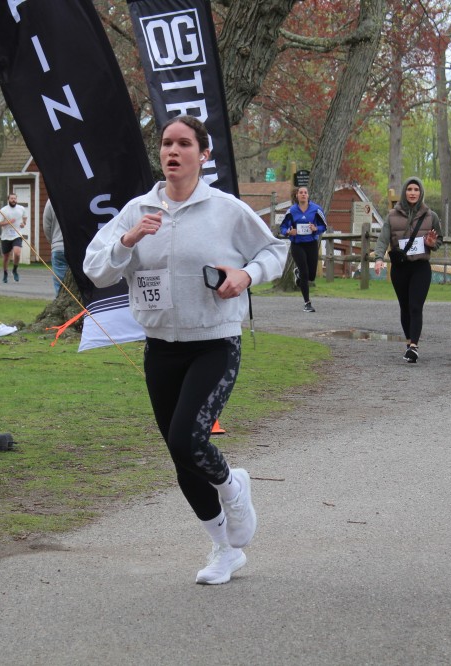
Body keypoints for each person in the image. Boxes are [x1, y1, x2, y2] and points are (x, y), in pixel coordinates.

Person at [83, 115, 287, 586]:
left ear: (204, 154)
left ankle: (233, 487)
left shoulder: (226, 210)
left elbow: (274, 251)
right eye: (166, 144)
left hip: (214, 342)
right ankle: (224, 549)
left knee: (186, 440)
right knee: (181, 457)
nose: (172, 151)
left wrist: (246, 275)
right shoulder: (136, 211)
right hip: (160, 347)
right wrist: (128, 241)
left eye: (184, 144)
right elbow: (96, 269)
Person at [373, 177, 442, 363]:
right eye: (409, 189)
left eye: (416, 190)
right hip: (400, 268)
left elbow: (439, 240)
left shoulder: (431, 216)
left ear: (421, 193)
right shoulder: (392, 216)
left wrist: (432, 243)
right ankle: (409, 341)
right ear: (404, 192)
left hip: (420, 267)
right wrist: (378, 259)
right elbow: (383, 240)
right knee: (405, 307)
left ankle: (414, 346)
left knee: (415, 306)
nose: (413, 193)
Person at [279, 186, 327, 312]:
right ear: (297, 195)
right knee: (305, 273)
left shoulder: (316, 209)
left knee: (311, 276)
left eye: (305, 192)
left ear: (308, 195)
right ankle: (307, 303)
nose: (303, 194)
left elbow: (324, 226)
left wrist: (316, 229)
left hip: (311, 244)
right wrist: (289, 232)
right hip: (297, 245)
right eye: (301, 192)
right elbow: (283, 228)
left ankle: (298, 274)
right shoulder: (292, 211)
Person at [0, 192, 27, 283]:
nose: (13, 200)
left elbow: (24, 218)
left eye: (15, 198)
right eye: (12, 198)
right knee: (6, 257)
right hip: (6, 236)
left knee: (17, 253)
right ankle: (5, 273)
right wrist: (8, 222)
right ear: (8, 199)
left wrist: (23, 224)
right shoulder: (3, 210)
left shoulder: (21, 208)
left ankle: (14, 270)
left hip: (17, 235)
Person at [41, 199, 67, 296]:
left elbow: (46, 226)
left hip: (58, 246)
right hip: (77, 248)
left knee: (60, 286)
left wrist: (53, 242)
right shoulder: (79, 196)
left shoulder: (51, 200)